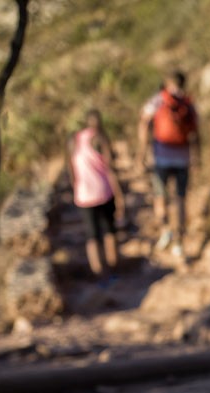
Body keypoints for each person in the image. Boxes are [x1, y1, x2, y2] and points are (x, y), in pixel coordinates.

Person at [137, 69, 200, 259]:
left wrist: (142, 152)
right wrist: (197, 157)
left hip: (161, 158)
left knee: (160, 197)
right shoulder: (188, 103)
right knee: (180, 199)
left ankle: (165, 231)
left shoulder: (159, 100)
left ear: (168, 82)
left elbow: (143, 122)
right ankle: (179, 243)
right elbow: (196, 133)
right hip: (183, 157)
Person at [68, 108, 125, 281]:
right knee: (109, 231)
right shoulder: (100, 138)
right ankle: (113, 270)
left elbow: (70, 169)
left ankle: (100, 274)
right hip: (104, 192)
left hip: (84, 195)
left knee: (92, 235)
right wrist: (120, 196)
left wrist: (76, 188)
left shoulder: (73, 140)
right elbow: (110, 168)